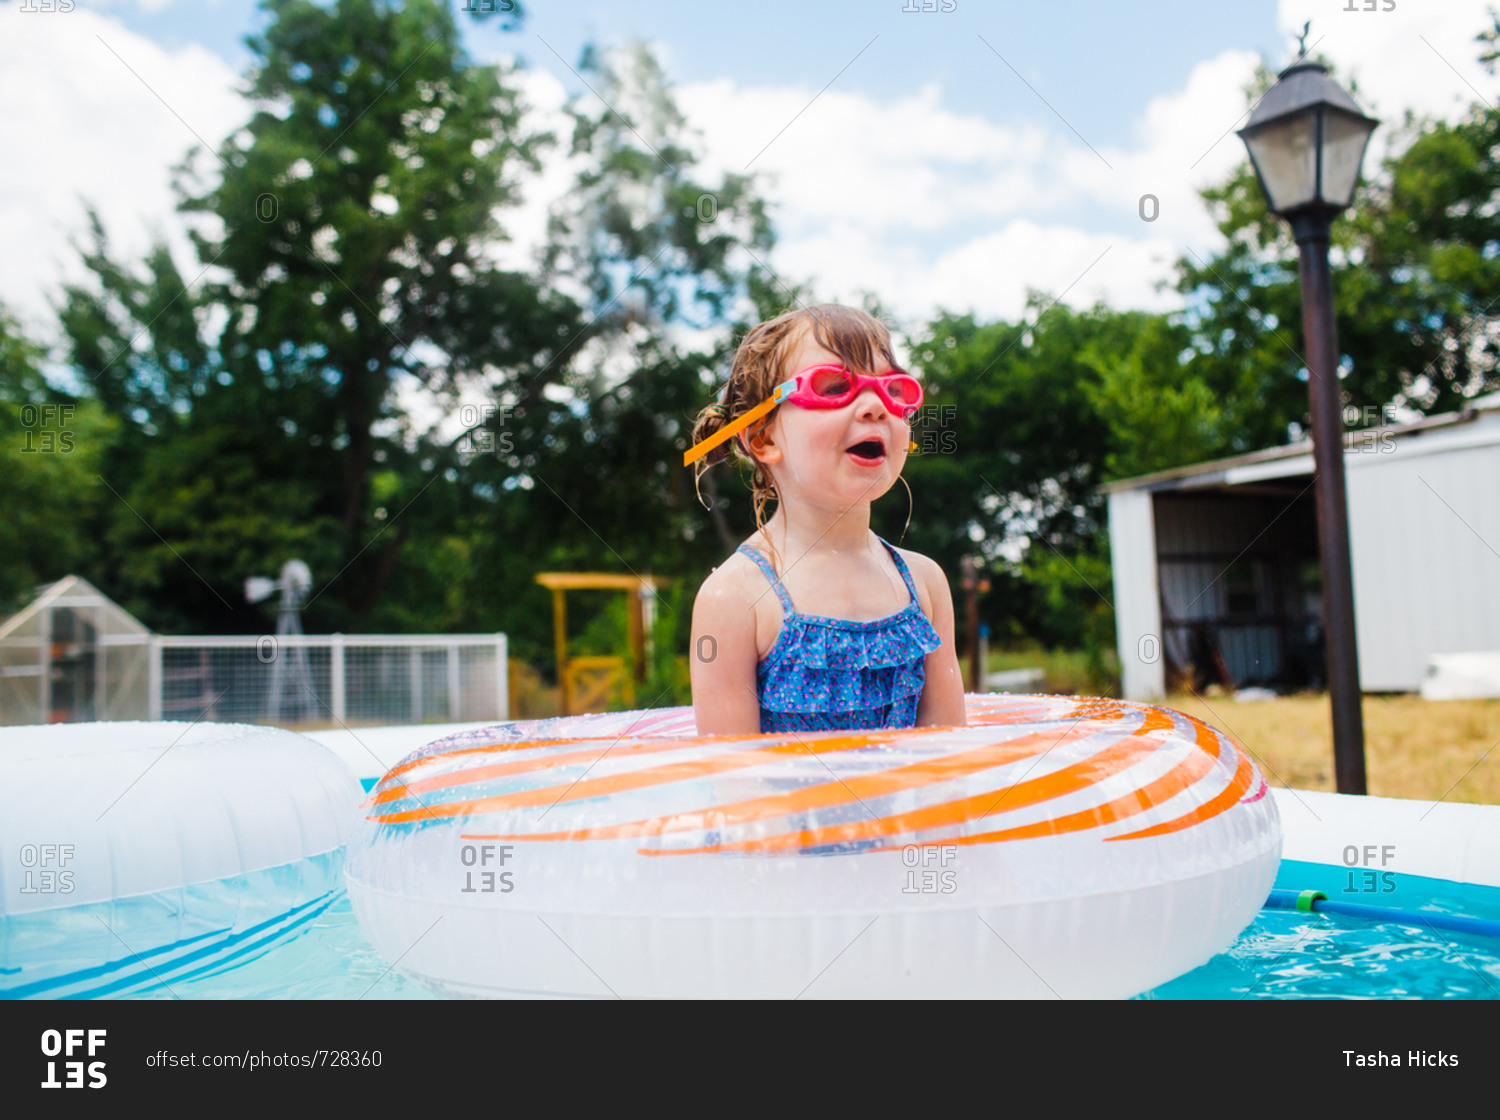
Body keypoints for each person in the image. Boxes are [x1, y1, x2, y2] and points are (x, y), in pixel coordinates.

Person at [685, 304, 967, 735]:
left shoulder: (924, 583)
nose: (875, 406)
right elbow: (735, 782)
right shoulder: (735, 598)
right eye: (835, 387)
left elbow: (950, 755)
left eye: (893, 389)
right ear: (763, 437)